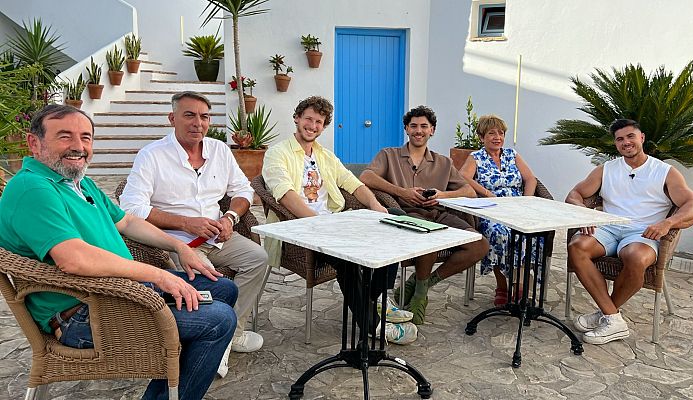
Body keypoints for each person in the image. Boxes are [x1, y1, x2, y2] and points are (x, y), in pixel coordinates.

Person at [0, 104, 237, 399]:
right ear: (34, 143)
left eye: (86, 137)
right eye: (64, 137)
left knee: (222, 288)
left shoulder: (78, 182)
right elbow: (73, 259)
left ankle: (172, 371)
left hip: (119, 293)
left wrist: (178, 246)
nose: (78, 147)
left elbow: (127, 221)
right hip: (84, 313)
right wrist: (160, 276)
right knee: (219, 320)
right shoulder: (33, 188)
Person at [120, 92, 269, 355]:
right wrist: (187, 223)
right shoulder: (152, 155)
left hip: (218, 236)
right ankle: (212, 338)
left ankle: (231, 333)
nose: (197, 123)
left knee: (258, 257)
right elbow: (131, 208)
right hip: (176, 243)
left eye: (204, 116)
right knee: (212, 282)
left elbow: (244, 191)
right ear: (172, 118)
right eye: (189, 115)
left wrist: (229, 218)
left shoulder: (219, 149)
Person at [262, 96, 417, 344]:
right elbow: (285, 195)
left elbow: (353, 184)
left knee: (394, 224)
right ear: (297, 118)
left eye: (319, 122)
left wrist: (377, 206)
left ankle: (377, 299)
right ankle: (374, 325)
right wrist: (320, 224)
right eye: (308, 119)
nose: (312, 126)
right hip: (299, 229)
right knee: (348, 259)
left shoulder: (325, 156)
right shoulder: (277, 153)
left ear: (324, 127)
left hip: (333, 223)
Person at [566, 119, 693, 345]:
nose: (625, 142)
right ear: (616, 144)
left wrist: (667, 223)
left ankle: (606, 315)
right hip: (608, 227)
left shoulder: (664, 171)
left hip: (642, 232)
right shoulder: (606, 169)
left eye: (630, 136)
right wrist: (584, 214)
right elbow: (574, 195)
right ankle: (612, 317)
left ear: (642, 138)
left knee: (636, 257)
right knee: (577, 247)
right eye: (620, 139)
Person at [360, 105, 489, 325]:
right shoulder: (388, 155)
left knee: (479, 244)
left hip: (438, 212)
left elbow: (469, 192)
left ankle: (422, 284)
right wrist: (403, 193)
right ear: (406, 129)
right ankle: (420, 297)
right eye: (413, 126)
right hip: (405, 214)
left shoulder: (443, 162)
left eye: (424, 126)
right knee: (427, 236)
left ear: (432, 130)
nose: (418, 131)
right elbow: (366, 177)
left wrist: (442, 195)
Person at [458, 114, 538, 307]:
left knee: (530, 233)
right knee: (499, 234)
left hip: (517, 207)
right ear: (481, 136)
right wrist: (486, 192)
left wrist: (526, 201)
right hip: (491, 209)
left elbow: (531, 179)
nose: (497, 137)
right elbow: (462, 177)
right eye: (491, 133)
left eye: (500, 133)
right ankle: (503, 286)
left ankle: (520, 287)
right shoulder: (476, 157)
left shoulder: (512, 154)